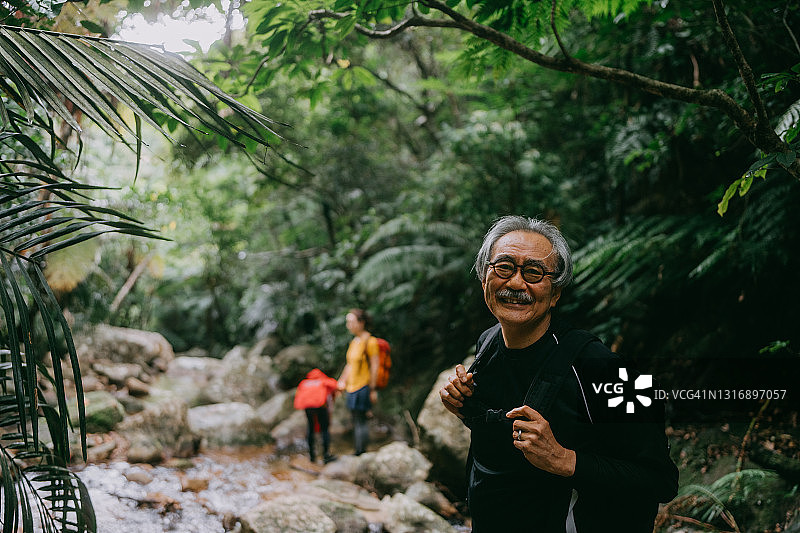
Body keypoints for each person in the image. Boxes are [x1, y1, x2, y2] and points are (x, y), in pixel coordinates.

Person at [439, 216, 678, 533]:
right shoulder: (487, 344)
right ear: (484, 279)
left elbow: (662, 481)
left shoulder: (606, 369)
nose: (515, 283)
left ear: (555, 294)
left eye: (534, 272)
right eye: (505, 267)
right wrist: (462, 405)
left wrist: (565, 460)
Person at [338, 308, 380, 455]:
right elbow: (350, 365)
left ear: (361, 323)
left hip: (363, 387)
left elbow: (375, 366)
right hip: (351, 387)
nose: (348, 325)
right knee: (356, 420)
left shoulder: (370, 341)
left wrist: (373, 389)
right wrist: (341, 381)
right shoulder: (354, 342)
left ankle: (360, 453)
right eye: (347, 322)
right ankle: (358, 451)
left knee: (361, 420)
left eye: (351, 321)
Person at [294, 368, 338, 464]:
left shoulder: (304, 383)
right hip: (320, 406)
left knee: (311, 428)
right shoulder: (323, 381)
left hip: (308, 408)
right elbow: (335, 385)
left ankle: (312, 456)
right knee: (324, 429)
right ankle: (326, 455)